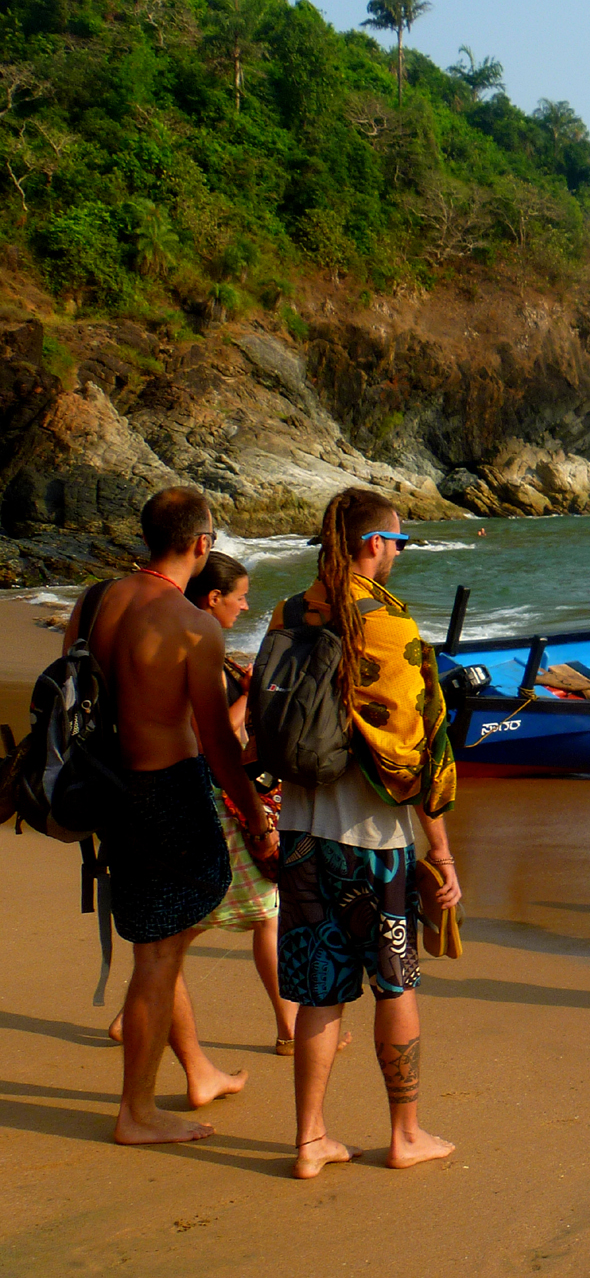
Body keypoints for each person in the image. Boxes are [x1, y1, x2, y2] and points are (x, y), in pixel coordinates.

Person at [68, 486, 270, 1146]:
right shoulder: (194, 625)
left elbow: (77, 695)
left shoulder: (95, 601)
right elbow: (216, 742)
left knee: (159, 946)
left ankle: (197, 1070)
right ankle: (137, 1111)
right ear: (201, 544)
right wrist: (257, 816)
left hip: (108, 787)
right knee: (159, 954)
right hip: (168, 792)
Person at [272, 487, 461, 1179]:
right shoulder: (392, 625)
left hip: (299, 831)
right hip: (377, 845)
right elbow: (417, 755)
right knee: (395, 982)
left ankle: (310, 1141)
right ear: (375, 543)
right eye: (399, 543)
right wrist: (439, 851)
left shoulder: (289, 611)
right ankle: (404, 1133)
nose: (399, 555)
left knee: (319, 991)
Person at [105, 552, 307, 1055]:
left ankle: (131, 1015)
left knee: (183, 929)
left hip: (143, 791)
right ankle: (289, 1030)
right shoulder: (198, 642)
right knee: (263, 913)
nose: (244, 607)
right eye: (239, 597)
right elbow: (217, 733)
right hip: (215, 803)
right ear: (213, 598)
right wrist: (255, 691)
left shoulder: (122, 609)